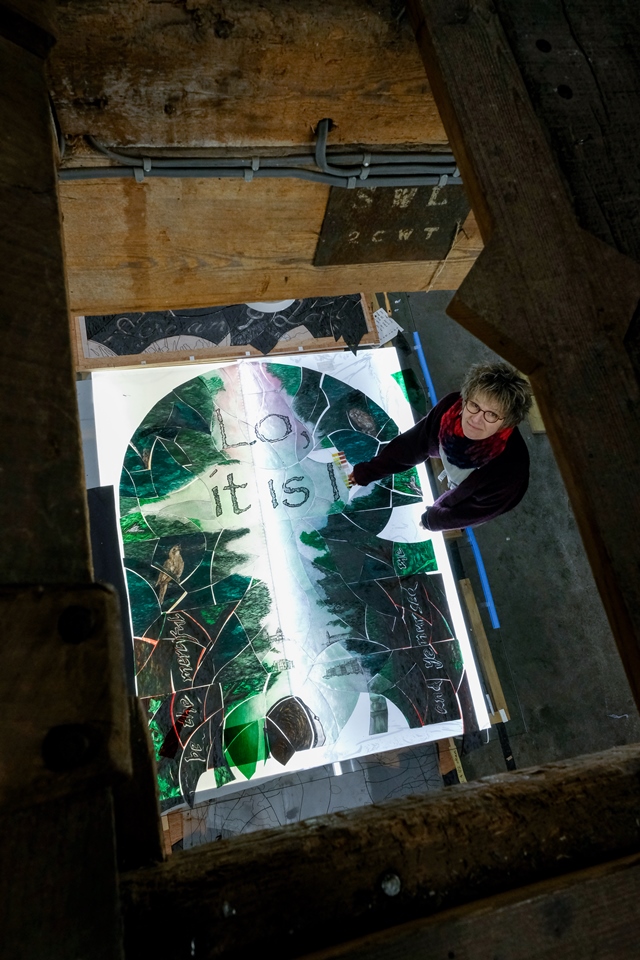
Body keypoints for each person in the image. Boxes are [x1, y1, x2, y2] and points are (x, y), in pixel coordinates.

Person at [348, 361, 533, 531]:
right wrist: (368, 472)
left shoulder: (509, 472)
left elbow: (471, 513)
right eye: (474, 405)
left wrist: (433, 520)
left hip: (488, 497)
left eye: (492, 414)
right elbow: (412, 445)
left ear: (507, 422)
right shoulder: (450, 409)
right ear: (465, 398)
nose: (476, 419)